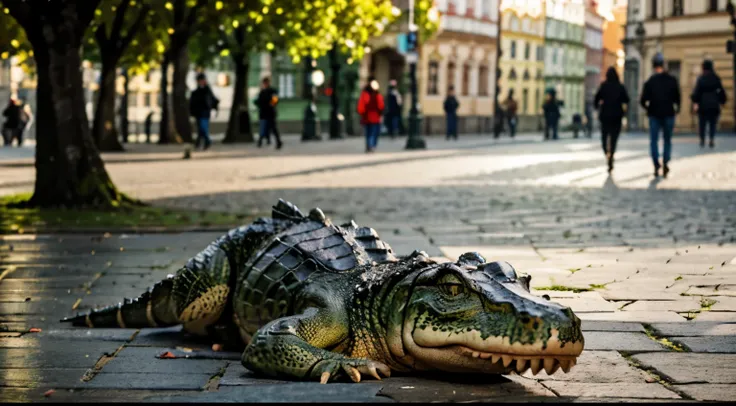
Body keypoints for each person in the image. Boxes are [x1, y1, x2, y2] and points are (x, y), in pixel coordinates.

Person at [640, 52, 681, 178]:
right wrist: (676, 109)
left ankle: (656, 163)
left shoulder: (650, 81)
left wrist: (648, 108)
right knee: (667, 140)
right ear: (664, 65)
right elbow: (678, 98)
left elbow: (642, 100)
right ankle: (666, 162)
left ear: (653, 66)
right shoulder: (672, 80)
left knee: (654, 140)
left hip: (654, 114)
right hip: (669, 113)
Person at [594, 66, 630, 172]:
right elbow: (627, 100)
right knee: (613, 139)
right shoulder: (620, 86)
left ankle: (607, 153)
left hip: (605, 116)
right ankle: (612, 154)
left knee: (604, 137)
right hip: (617, 116)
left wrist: (598, 107)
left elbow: (596, 99)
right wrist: (624, 111)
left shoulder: (603, 86)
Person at [691, 59, 726, 149]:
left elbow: (697, 92)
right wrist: (722, 101)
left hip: (703, 104)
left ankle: (702, 139)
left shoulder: (701, 78)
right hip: (714, 104)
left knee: (702, 124)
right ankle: (711, 139)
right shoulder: (715, 77)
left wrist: (695, 102)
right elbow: (721, 91)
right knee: (712, 124)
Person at [189, 73, 219, 150]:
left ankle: (206, 142)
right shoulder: (195, 92)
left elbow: (213, 101)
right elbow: (192, 103)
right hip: (198, 113)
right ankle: (202, 143)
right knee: (200, 129)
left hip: (205, 113)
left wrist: (215, 109)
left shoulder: (208, 91)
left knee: (203, 128)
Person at [357, 76, 384, 153]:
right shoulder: (375, 94)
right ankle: (371, 145)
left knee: (369, 132)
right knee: (373, 132)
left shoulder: (366, 93)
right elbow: (381, 105)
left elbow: (361, 106)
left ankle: (369, 145)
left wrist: (362, 113)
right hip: (373, 117)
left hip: (368, 116)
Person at [254, 77, 283, 149]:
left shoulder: (271, 91)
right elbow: (258, 101)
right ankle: (261, 141)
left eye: (266, 83)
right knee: (263, 127)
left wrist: (271, 104)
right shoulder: (262, 92)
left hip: (269, 112)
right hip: (264, 112)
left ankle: (278, 141)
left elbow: (275, 99)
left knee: (272, 128)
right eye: (264, 83)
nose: (265, 84)